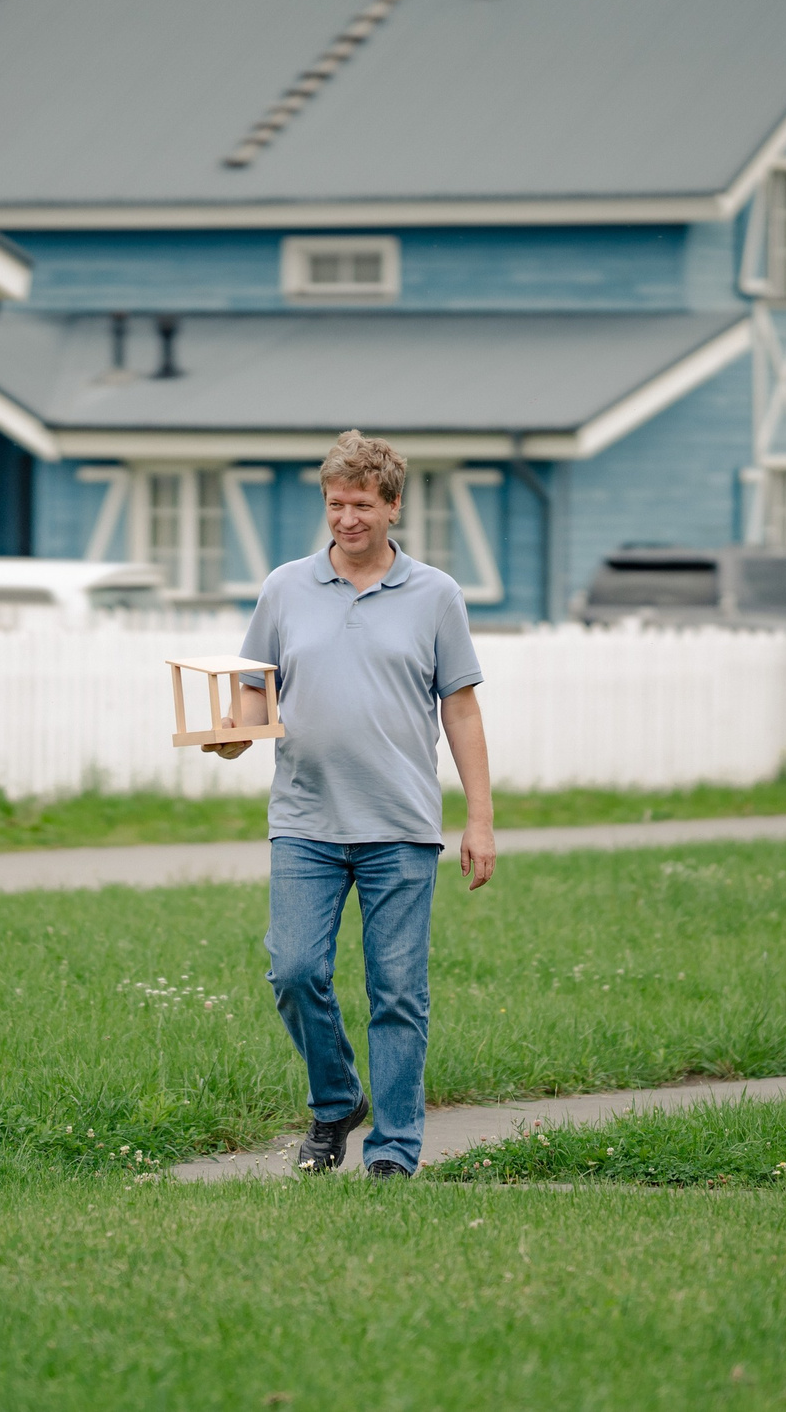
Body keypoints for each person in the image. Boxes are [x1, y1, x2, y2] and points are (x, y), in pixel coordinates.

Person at [203, 430, 495, 1178]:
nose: (347, 518)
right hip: (305, 821)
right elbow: (253, 686)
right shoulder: (285, 588)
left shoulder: (436, 595)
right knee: (294, 970)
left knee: (398, 992)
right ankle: (336, 1101)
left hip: (399, 825)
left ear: (392, 505)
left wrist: (480, 818)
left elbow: (460, 710)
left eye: (362, 503)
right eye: (336, 504)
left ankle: (393, 1151)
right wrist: (235, 734)